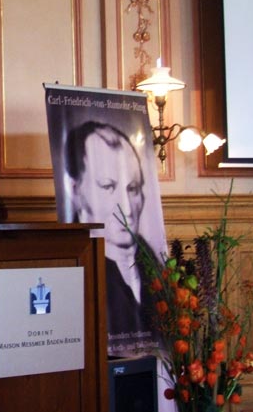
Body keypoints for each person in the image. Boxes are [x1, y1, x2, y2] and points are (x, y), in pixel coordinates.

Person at [65, 120, 158, 350]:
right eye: (108, 187)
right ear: (76, 192)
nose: (126, 208)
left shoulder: (157, 269)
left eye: (132, 188)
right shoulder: (73, 271)